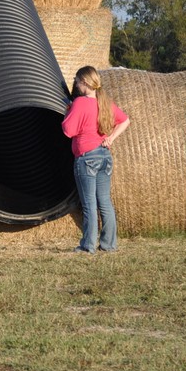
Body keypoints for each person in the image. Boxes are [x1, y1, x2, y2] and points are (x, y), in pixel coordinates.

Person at [62, 66, 130, 253]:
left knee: (89, 204)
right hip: (104, 156)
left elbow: (68, 131)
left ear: (84, 82)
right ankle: (108, 244)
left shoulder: (80, 103)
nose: (75, 84)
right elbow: (125, 120)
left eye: (77, 80)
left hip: (87, 159)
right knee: (104, 202)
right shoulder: (105, 102)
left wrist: (68, 111)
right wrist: (111, 138)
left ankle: (88, 246)